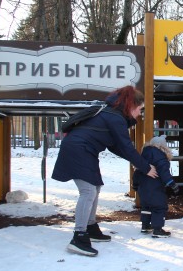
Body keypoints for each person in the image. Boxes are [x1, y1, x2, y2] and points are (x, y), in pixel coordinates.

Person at [52, 85, 158, 257]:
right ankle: (79, 237)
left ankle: (90, 227)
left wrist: (137, 163)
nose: (139, 114)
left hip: (84, 150)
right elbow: (126, 147)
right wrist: (145, 167)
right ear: (131, 106)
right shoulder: (115, 118)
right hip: (78, 150)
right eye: (140, 109)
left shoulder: (111, 114)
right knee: (88, 191)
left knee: (95, 187)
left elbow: (116, 147)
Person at [132, 135, 179, 238]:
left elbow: (136, 173)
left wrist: (135, 185)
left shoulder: (143, 157)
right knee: (159, 207)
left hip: (142, 189)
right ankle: (157, 229)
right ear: (163, 147)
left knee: (146, 207)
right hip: (155, 188)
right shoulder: (161, 157)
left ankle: (145, 226)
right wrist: (172, 183)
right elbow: (164, 173)